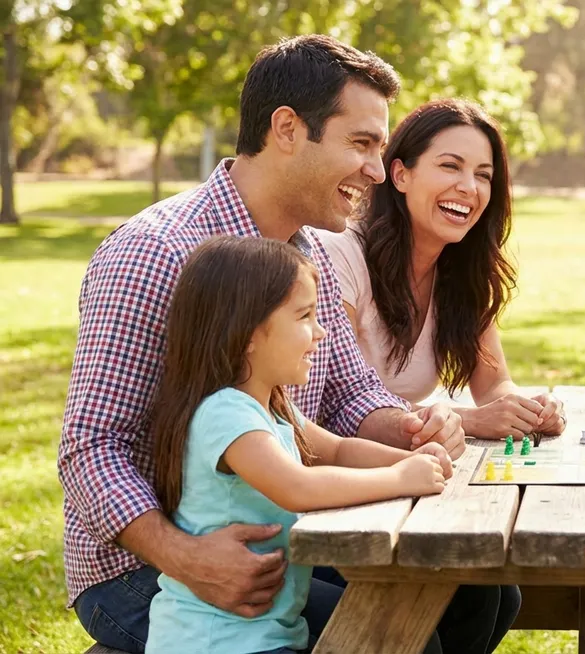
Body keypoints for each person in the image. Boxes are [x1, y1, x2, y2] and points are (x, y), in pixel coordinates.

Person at [59, 35, 515, 654]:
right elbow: (91, 449)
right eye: (361, 144)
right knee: (405, 635)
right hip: (149, 571)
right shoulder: (155, 253)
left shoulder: (310, 254)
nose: (378, 172)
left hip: (278, 537)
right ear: (287, 129)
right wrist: (189, 557)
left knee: (477, 589)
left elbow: (352, 395)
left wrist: (412, 433)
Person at [145, 236, 452, 654]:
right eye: (304, 316)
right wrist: (400, 478)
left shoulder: (268, 406)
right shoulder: (226, 413)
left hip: (264, 635)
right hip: (219, 643)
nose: (320, 332)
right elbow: (297, 487)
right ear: (248, 333)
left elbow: (340, 451)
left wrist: (413, 458)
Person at [316, 98, 564, 441]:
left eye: (483, 175)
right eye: (450, 166)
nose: (469, 187)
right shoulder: (338, 256)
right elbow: (335, 402)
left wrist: (530, 409)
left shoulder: (460, 271)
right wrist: (469, 420)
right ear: (401, 175)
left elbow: (493, 384)